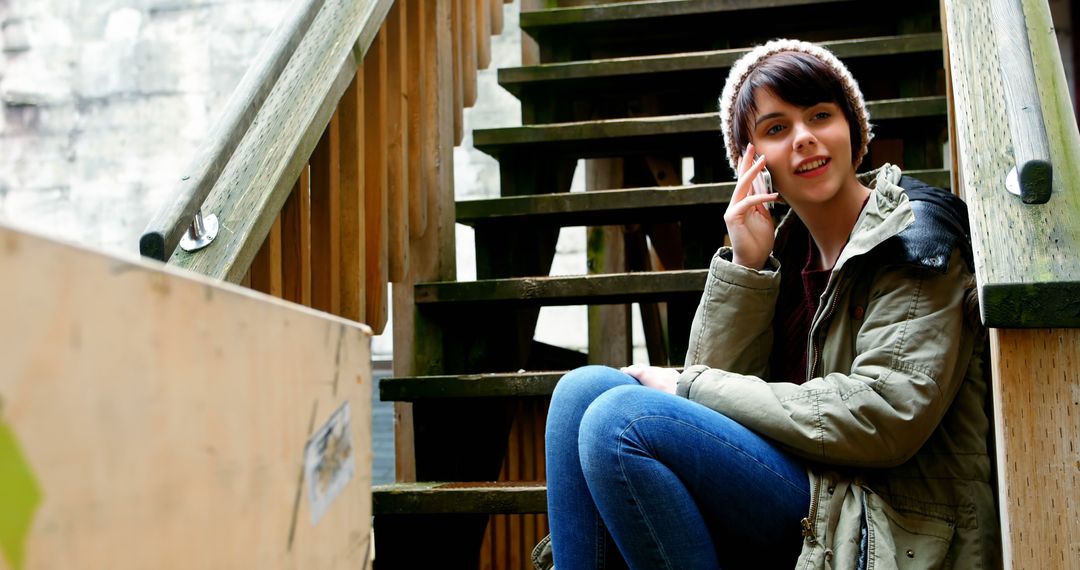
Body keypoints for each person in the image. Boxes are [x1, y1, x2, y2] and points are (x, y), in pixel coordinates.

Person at [535, 39, 1000, 569]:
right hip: (803, 493)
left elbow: (885, 415)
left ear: (853, 129)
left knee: (620, 422)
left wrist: (689, 382)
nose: (804, 138)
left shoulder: (911, 236)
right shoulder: (784, 254)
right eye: (777, 128)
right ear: (751, 162)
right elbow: (706, 412)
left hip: (882, 521)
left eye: (820, 115)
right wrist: (747, 268)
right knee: (581, 391)